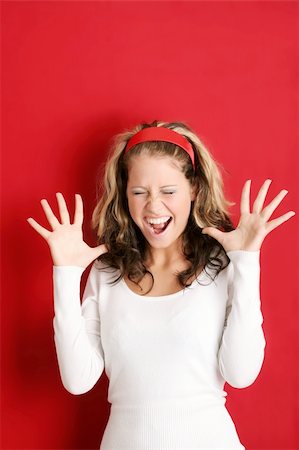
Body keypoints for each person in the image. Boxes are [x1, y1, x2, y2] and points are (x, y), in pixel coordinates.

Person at [27, 120, 295, 450]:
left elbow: (241, 373)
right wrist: (66, 275)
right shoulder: (105, 272)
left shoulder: (222, 266)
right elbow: (78, 379)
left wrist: (246, 260)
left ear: (193, 188)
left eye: (168, 191)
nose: (154, 207)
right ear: (124, 195)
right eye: (139, 192)